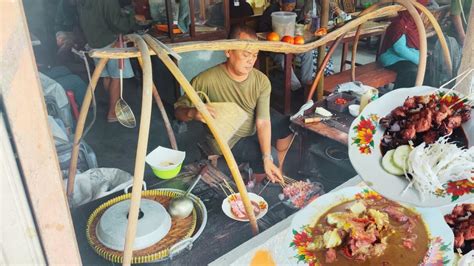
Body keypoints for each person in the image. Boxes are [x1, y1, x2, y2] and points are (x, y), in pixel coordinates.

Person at [174, 25, 294, 183]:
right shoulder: (205, 80)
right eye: (245, 54)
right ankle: (256, 185)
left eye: (255, 55)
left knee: (287, 125)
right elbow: (178, 112)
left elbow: (263, 120)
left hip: (251, 122)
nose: (251, 60)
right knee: (261, 154)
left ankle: (275, 171)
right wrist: (192, 113)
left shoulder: (261, 81)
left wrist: (268, 158)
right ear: (228, 51)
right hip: (229, 138)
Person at [76, 0, 144, 122]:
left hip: (94, 43)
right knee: (117, 77)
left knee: (107, 76)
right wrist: (132, 17)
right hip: (110, 43)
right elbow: (118, 24)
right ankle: (112, 112)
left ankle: (113, 104)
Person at [258, 0, 333, 91]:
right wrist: (276, 31)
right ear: (281, 3)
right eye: (289, 6)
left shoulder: (291, 12)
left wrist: (302, 21)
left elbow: (294, 23)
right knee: (283, 59)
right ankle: (296, 87)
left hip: (289, 43)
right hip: (273, 47)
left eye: (293, 7)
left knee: (307, 52)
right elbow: (262, 30)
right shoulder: (271, 11)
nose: (291, 9)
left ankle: (307, 83)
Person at [378, 0, 429, 89]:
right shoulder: (400, 23)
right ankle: (400, 99)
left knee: (430, 69)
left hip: (406, 58)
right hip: (392, 58)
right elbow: (399, 49)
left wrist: (423, 58)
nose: (419, 12)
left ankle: (419, 98)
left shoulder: (414, 24)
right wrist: (419, 60)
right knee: (411, 72)